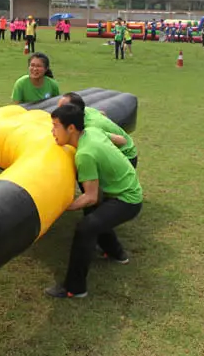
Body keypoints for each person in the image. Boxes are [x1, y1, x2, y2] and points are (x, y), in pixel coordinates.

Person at [45, 104, 143, 299]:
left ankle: (75, 288)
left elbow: (90, 196)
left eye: (55, 126)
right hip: (128, 188)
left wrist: (62, 206)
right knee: (93, 214)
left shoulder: (85, 154)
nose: (52, 131)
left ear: (71, 128)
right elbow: (120, 139)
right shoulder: (91, 131)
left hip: (127, 199)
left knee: (86, 228)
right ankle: (116, 253)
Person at [57, 92, 138, 168]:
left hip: (127, 156)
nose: (58, 111)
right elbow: (102, 113)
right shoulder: (86, 110)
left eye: (61, 108)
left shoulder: (91, 127)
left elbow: (120, 141)